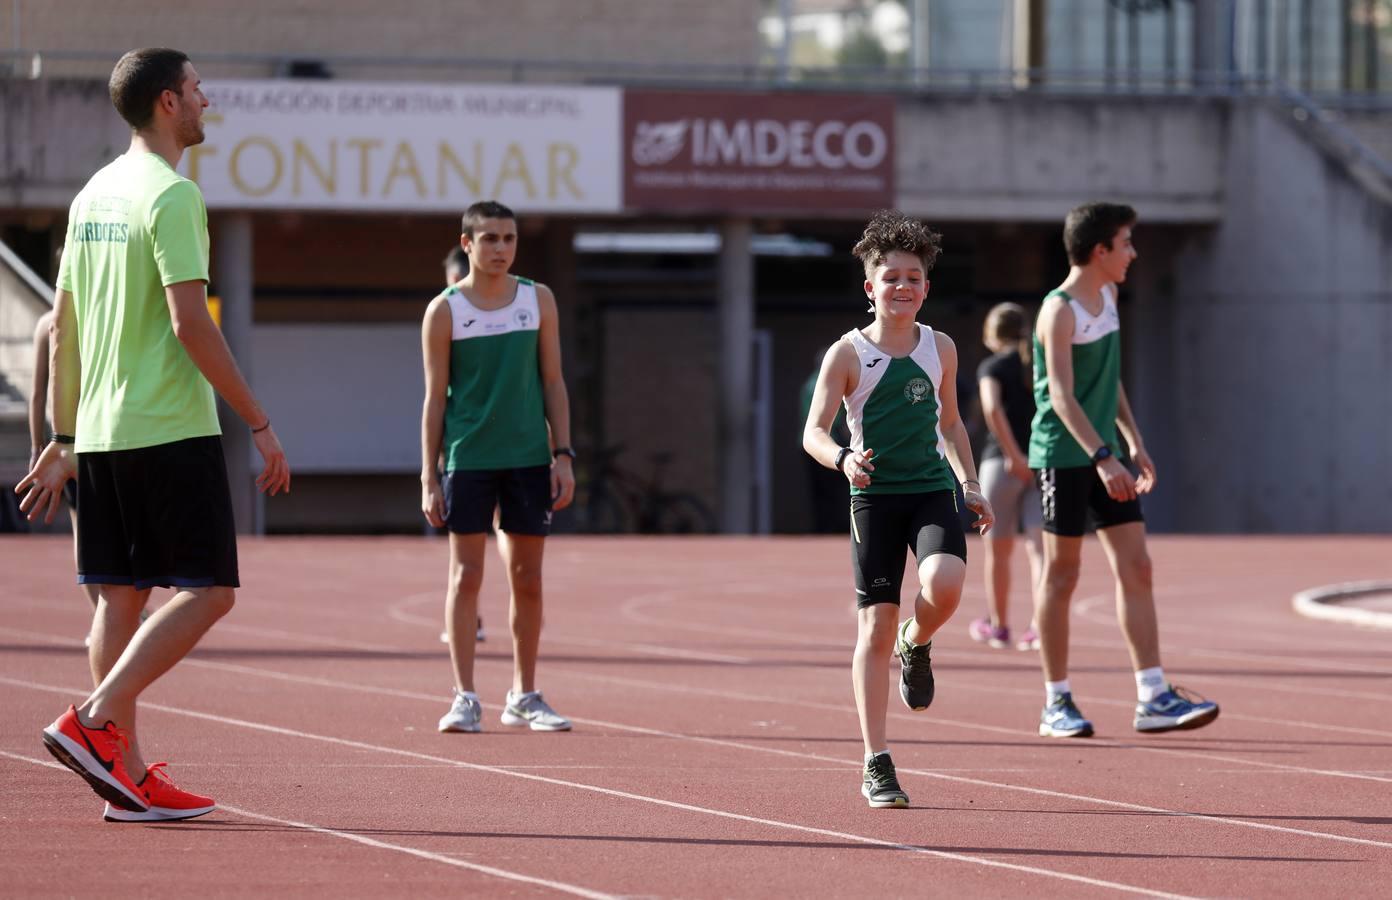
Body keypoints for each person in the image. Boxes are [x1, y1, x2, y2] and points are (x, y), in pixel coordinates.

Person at [18, 48, 290, 822]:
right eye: (200, 89)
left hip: (100, 434)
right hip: (166, 428)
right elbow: (189, 323)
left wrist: (66, 436)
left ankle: (123, 777)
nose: (208, 100)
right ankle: (95, 719)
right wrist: (260, 421)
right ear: (169, 102)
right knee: (212, 593)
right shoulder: (172, 196)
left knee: (121, 600)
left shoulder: (93, 193)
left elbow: (62, 331)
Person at [803, 210, 994, 808]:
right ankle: (876, 761)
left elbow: (954, 423)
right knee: (874, 627)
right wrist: (841, 459)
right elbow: (813, 430)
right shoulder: (847, 355)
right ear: (870, 288)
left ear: (926, 287)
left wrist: (970, 482)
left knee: (947, 583)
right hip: (874, 498)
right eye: (891, 278)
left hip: (931, 488)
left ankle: (921, 638)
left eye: (913, 277)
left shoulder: (941, 347)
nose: (903, 287)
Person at [1029, 201, 1217, 739]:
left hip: (1105, 452)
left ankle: (1153, 694)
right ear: (1099, 250)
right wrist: (1101, 455)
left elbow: (1108, 382)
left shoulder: (1108, 296)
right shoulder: (1058, 310)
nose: (1133, 253)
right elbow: (1062, 398)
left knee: (1138, 568)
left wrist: (1133, 441)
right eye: (1127, 243)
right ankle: (1055, 701)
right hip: (1064, 456)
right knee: (1061, 576)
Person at [420, 200, 575, 734]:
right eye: (489, 239)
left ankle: (524, 694)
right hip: (468, 460)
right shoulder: (444, 311)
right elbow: (434, 400)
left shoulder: (538, 300)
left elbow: (553, 382)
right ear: (467, 245)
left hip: (530, 459)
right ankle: (465, 696)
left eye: (509, 239)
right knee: (465, 577)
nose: (501, 249)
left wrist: (564, 456)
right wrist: (428, 476)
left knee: (527, 579)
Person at [28, 306, 106, 640]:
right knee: (106, 529)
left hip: (72, 440)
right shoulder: (97, 315)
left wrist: (37, 445)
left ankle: (105, 617)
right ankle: (117, 614)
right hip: (100, 434)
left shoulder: (48, 322)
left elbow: (37, 394)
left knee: (84, 535)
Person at [969, 303, 1043, 651]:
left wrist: (1014, 456)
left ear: (992, 333)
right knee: (1040, 551)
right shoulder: (1038, 363)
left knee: (998, 552)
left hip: (1002, 463)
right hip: (1042, 462)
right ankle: (1040, 627)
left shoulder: (993, 366)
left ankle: (999, 625)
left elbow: (992, 408)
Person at [437, 243, 485, 645]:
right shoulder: (442, 314)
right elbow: (435, 395)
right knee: (465, 561)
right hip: (462, 447)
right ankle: (473, 614)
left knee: (509, 542)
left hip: (510, 448)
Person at [798, 347, 849, 533]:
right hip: (830, 445)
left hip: (807, 446)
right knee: (834, 491)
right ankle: (832, 528)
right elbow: (836, 421)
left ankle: (821, 527)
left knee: (818, 491)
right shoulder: (826, 383)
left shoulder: (808, 383)